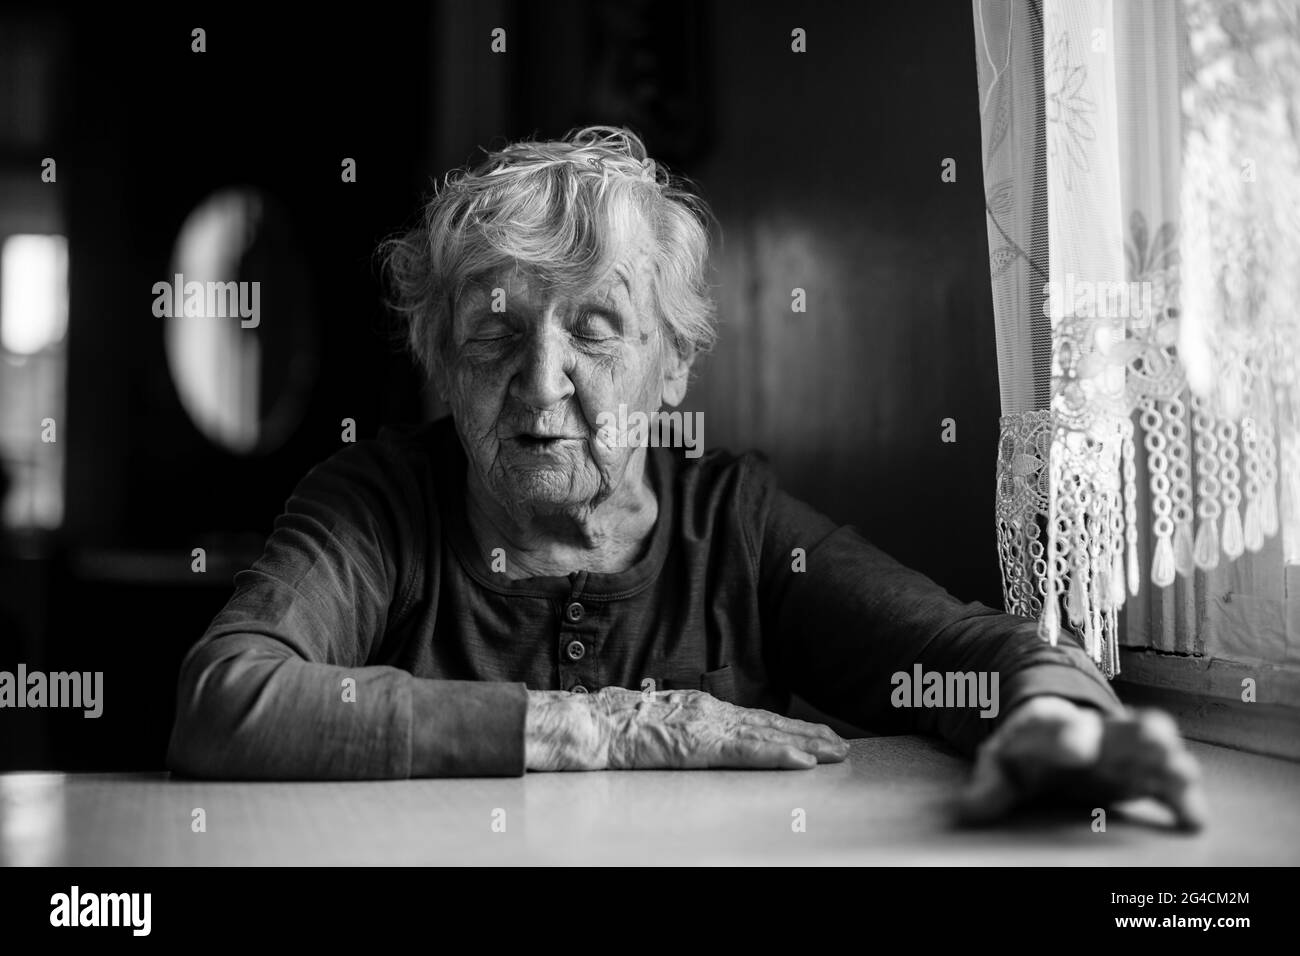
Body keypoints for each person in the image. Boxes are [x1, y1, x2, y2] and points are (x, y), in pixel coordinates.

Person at [166, 126, 1205, 828]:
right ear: (440, 361)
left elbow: (956, 650)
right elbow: (226, 699)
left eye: (596, 329)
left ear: (670, 368)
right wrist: (599, 723)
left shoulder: (737, 528)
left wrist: (1050, 722)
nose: (541, 380)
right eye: (493, 333)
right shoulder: (377, 506)